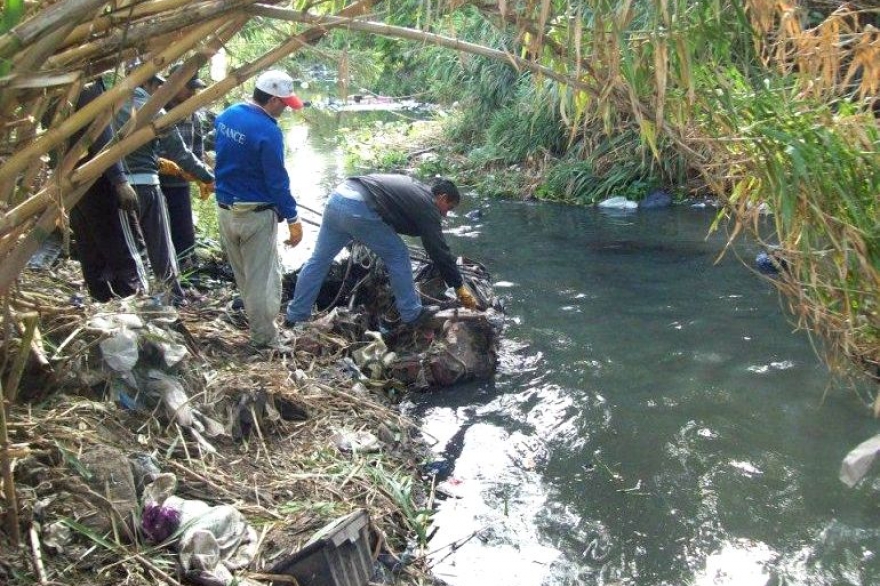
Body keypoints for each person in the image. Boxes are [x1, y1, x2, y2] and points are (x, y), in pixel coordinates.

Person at [285, 174, 478, 329]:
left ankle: (295, 316)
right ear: (442, 198)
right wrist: (458, 286)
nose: (445, 214)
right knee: (398, 255)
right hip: (357, 207)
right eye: (448, 208)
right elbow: (438, 250)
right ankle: (411, 313)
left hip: (338, 198)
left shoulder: (414, 188)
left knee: (319, 261)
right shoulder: (427, 204)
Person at [213, 69, 305, 350]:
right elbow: (277, 181)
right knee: (263, 282)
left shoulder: (227, 116)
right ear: (273, 100)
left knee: (244, 276)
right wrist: (293, 217)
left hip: (225, 210)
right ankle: (264, 340)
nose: (286, 110)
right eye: (285, 105)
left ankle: (259, 330)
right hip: (255, 215)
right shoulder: (268, 131)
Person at [114, 72, 214, 301]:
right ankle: (173, 296)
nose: (158, 90)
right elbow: (182, 153)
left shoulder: (110, 108)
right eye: (156, 85)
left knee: (133, 247)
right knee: (161, 247)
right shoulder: (154, 111)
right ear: (145, 83)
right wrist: (207, 177)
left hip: (119, 185)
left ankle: (135, 296)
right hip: (148, 185)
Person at [64, 78, 149, 301]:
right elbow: (102, 136)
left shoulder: (62, 88)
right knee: (124, 251)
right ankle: (136, 303)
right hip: (100, 180)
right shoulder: (89, 86)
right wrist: (119, 180)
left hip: (71, 181)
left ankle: (102, 303)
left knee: (91, 249)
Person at [158, 65, 211, 268]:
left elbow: (197, 151)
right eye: (188, 88)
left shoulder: (193, 115)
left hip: (180, 185)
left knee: (184, 236)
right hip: (156, 184)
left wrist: (201, 178)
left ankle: (184, 271)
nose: (192, 93)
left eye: (194, 88)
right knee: (158, 231)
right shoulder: (155, 111)